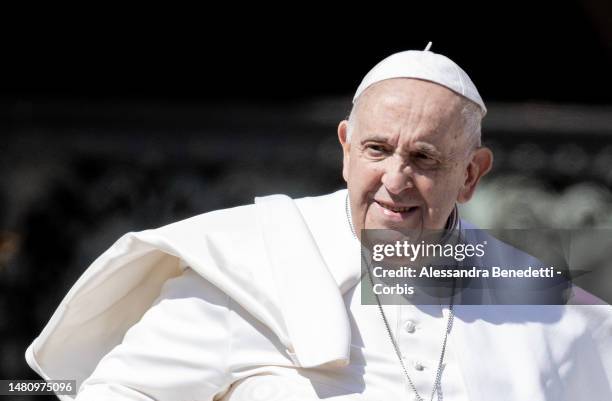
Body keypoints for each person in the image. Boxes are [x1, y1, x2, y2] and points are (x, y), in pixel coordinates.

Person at [26, 45, 612, 400]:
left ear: (472, 175)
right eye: (377, 150)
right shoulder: (246, 267)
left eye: (425, 159)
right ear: (346, 147)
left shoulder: (546, 306)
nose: (396, 179)